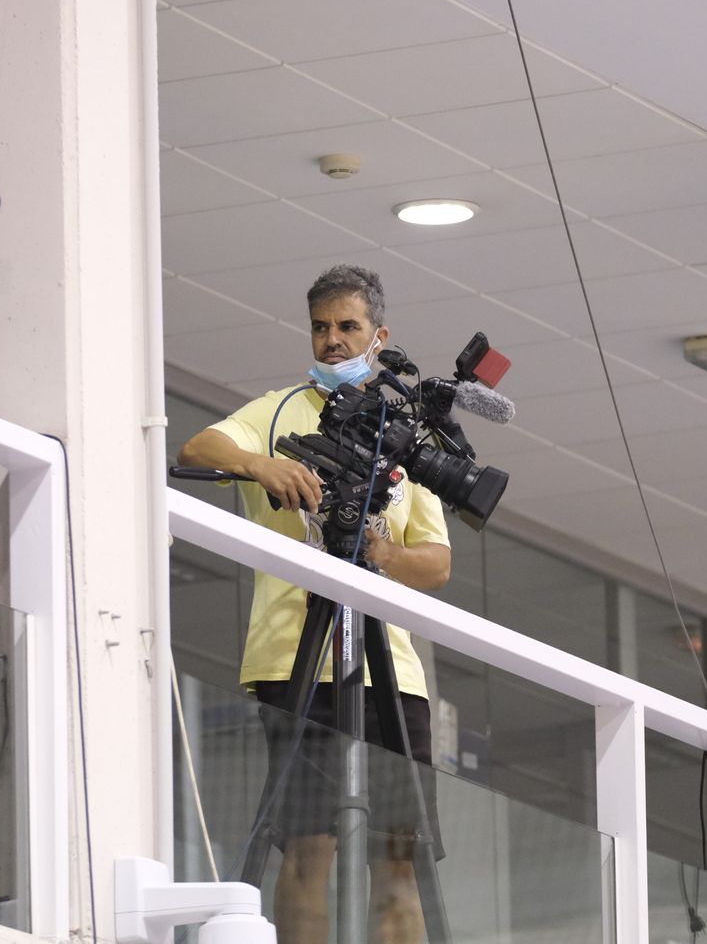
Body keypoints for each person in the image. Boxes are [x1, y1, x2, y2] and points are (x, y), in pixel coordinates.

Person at [178, 264, 451, 944]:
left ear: (379, 335)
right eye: (321, 327)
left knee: (399, 854)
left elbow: (438, 562)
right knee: (307, 845)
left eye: (348, 327)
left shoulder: (407, 435)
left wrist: (380, 554)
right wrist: (262, 465)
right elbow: (197, 445)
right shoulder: (277, 411)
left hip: (392, 668)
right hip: (290, 654)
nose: (332, 340)